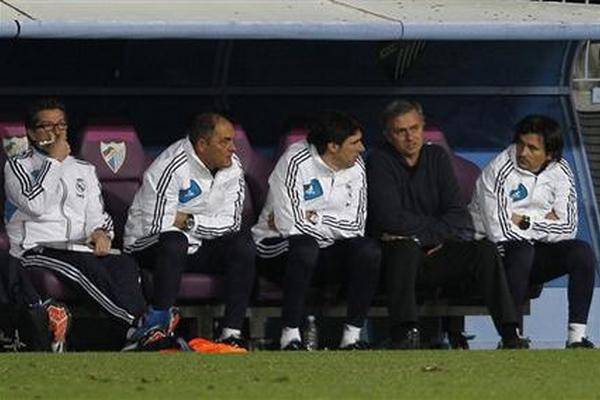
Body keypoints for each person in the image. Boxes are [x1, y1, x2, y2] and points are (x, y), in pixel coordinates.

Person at [366, 99, 528, 349]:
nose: (410, 137)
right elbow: (389, 217)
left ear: (422, 127)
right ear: (389, 135)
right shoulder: (378, 161)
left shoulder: (437, 156)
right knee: (404, 248)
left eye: (415, 128)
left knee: (484, 250)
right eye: (401, 131)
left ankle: (510, 331)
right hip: (397, 257)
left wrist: (429, 237)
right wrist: (430, 233)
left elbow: (457, 215)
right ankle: (405, 332)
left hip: (438, 251)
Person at [4, 98, 146, 349]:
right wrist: (54, 162)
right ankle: (139, 327)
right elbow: (34, 204)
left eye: (61, 125)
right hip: (37, 249)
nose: (56, 132)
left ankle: (137, 331)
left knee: (124, 264)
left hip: (81, 247)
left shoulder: (84, 168)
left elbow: (97, 214)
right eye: (47, 126)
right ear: (30, 132)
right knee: (85, 267)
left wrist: (102, 233)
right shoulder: (17, 167)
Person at [124, 112, 255, 349]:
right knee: (174, 242)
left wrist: (189, 221)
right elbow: (159, 225)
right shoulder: (170, 166)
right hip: (147, 244)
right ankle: (155, 326)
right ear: (202, 145)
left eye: (232, 141)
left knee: (242, 244)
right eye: (225, 141)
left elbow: (231, 223)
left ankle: (230, 333)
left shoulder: (233, 167)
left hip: (197, 242)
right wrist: (199, 227)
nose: (233, 148)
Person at [252, 111, 381, 350]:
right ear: (333, 146)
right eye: (354, 143)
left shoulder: (356, 165)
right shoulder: (295, 161)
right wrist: (327, 225)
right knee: (305, 247)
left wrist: (314, 217)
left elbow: (355, 227)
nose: (362, 148)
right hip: (275, 249)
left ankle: (351, 338)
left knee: (368, 250)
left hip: (325, 252)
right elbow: (287, 225)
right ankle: (290, 335)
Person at [469, 114, 596, 349]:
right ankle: (511, 337)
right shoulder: (497, 171)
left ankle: (576, 338)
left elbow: (568, 228)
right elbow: (501, 232)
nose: (522, 152)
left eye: (532, 148)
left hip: (530, 251)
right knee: (521, 249)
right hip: (491, 256)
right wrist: (546, 221)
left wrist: (525, 220)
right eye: (520, 144)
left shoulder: (561, 170)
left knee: (582, 251)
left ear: (549, 155)